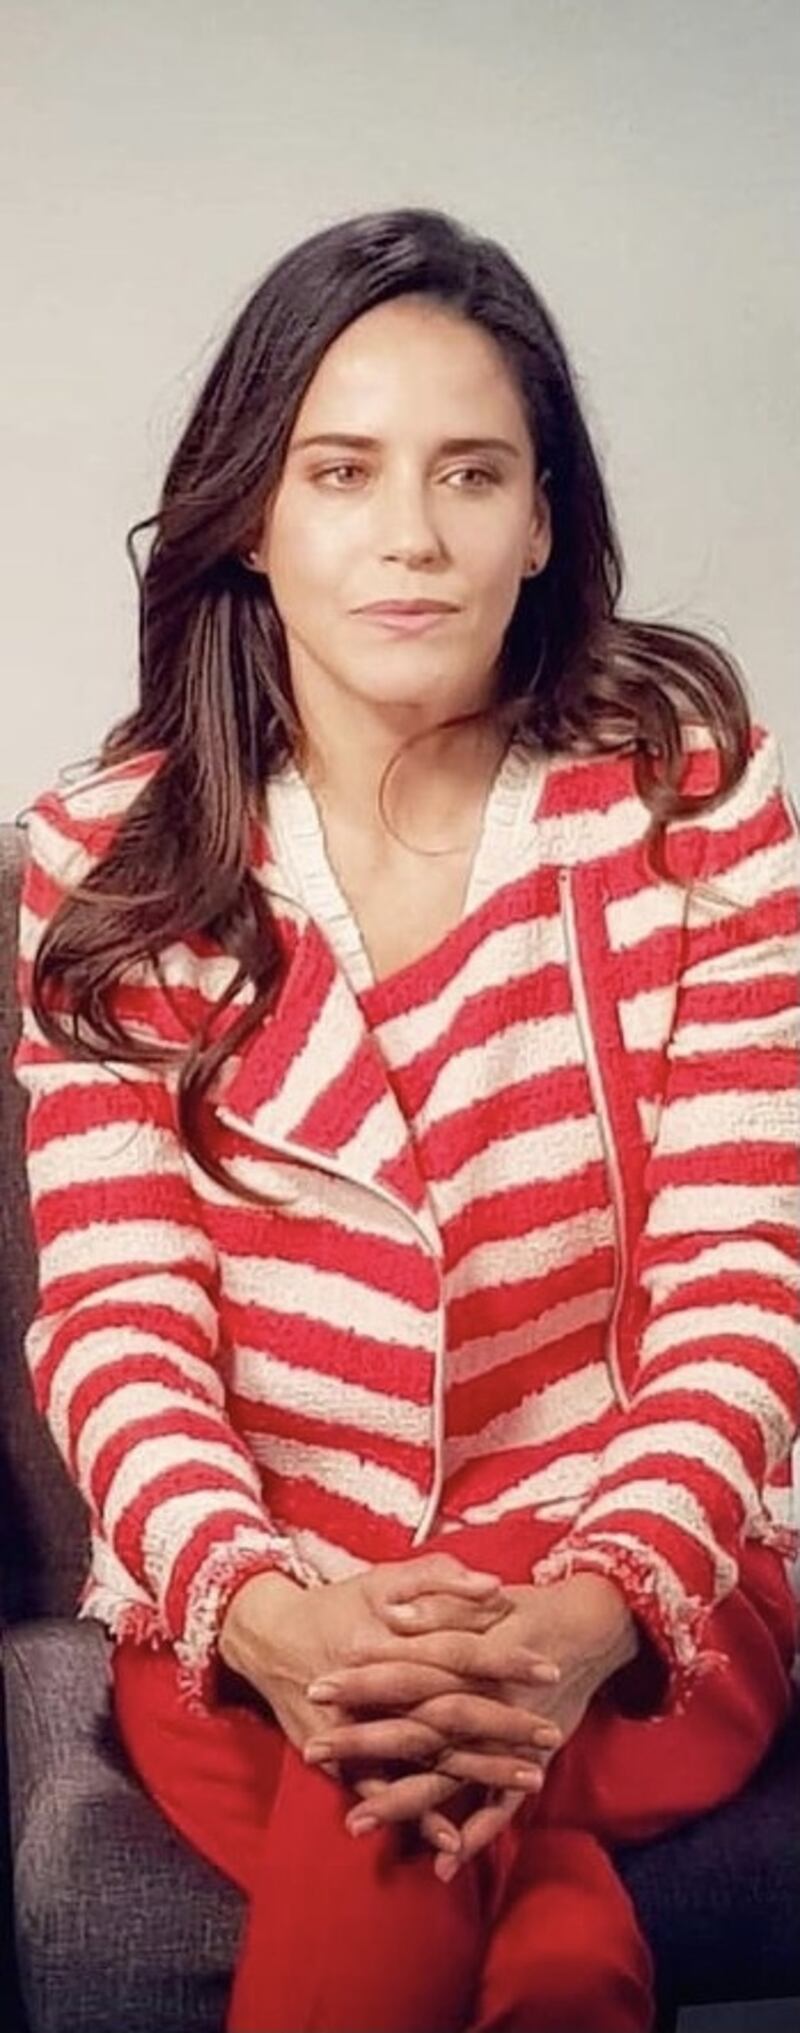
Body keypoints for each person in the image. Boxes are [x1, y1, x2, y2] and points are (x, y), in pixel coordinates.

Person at [15, 206, 800, 2033]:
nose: (413, 536)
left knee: (372, 1813)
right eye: (343, 470)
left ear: (543, 522)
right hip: (255, 1613)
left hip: (650, 1608)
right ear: (253, 516)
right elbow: (119, 1326)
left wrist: (585, 1614)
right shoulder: (108, 864)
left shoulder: (695, 815)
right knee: (473, 1869)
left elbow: (744, 1281)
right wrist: (271, 1615)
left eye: (472, 473)